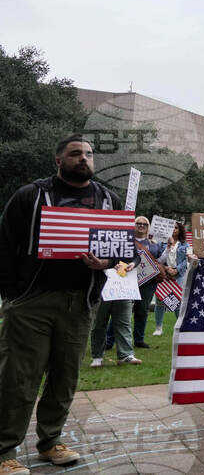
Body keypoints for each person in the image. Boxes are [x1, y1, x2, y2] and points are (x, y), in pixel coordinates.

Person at [0, 135, 126, 471]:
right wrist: (13, 294)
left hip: (80, 304)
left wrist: (106, 264)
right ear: (59, 160)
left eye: (88, 153)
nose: (83, 158)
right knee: (19, 378)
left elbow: (122, 251)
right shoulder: (32, 195)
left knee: (65, 377)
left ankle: (50, 441)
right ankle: (4, 452)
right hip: (32, 302)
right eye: (75, 153)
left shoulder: (108, 200)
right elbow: (4, 244)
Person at [89, 215, 142, 368]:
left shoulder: (126, 238)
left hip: (123, 286)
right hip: (103, 286)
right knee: (100, 322)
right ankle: (97, 356)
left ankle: (126, 355)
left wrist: (132, 263)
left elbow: (136, 256)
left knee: (124, 321)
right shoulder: (97, 237)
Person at [130, 215, 163, 351]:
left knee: (142, 310)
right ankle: (110, 340)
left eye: (144, 224)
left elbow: (161, 260)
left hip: (148, 282)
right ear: (134, 225)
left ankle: (139, 339)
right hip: (128, 279)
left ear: (148, 227)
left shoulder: (154, 245)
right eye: (138, 223)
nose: (141, 226)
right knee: (121, 310)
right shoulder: (126, 241)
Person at [153, 221, 189, 336]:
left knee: (177, 300)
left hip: (178, 275)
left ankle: (180, 327)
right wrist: (165, 268)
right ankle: (158, 328)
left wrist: (176, 269)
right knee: (160, 301)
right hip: (163, 274)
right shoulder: (162, 244)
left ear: (180, 230)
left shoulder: (185, 245)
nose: (174, 229)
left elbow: (186, 260)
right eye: (172, 227)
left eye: (176, 228)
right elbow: (157, 259)